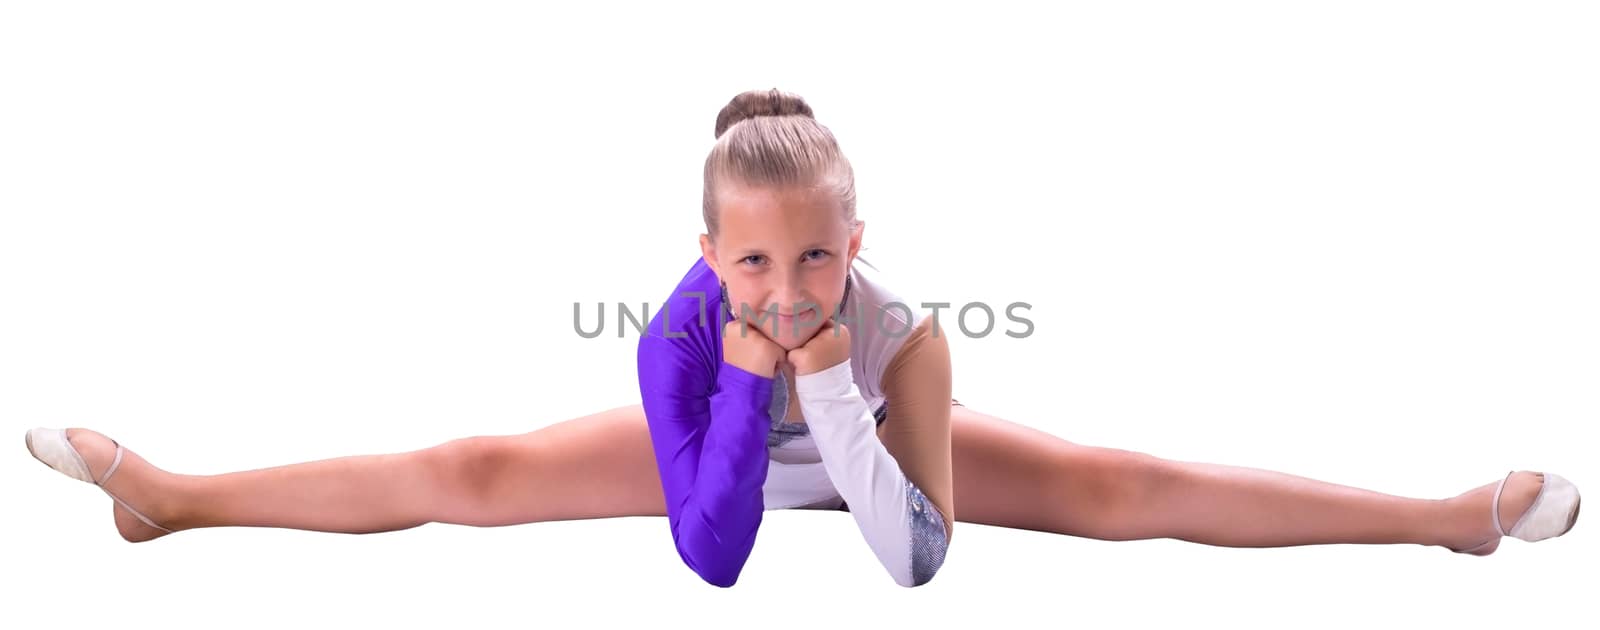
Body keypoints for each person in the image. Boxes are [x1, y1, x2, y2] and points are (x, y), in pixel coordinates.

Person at [25, 88, 1582, 589]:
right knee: (475, 463)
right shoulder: (686, 331)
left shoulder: (902, 339)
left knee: (1116, 482)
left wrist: (831, 373)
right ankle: (172, 493)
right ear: (708, 256)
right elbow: (713, 554)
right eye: (753, 259)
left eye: (817, 253)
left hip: (881, 463)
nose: (786, 281)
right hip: (720, 450)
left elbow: (915, 555)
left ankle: (1446, 520)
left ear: (860, 240)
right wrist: (751, 379)